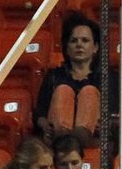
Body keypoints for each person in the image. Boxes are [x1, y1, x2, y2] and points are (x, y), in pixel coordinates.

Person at [34, 14, 102, 147]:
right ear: (66, 47)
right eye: (73, 41)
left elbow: (115, 114)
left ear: (95, 47)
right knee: (63, 90)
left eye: (85, 40)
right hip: (56, 136)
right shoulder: (54, 76)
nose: (79, 45)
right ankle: (65, 139)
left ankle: (76, 139)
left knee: (89, 92)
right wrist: (44, 125)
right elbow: (40, 114)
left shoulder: (107, 78)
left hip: (93, 138)